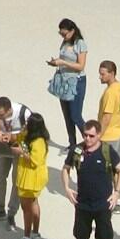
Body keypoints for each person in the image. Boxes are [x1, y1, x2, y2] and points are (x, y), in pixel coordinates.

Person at [63, 118, 120, 239]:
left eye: (91, 136)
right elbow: (66, 169)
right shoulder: (77, 151)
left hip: (103, 204)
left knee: (104, 238)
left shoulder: (107, 151)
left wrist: (117, 193)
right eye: (85, 135)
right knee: (81, 238)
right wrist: (67, 188)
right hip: (82, 204)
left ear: (99, 135)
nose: (87, 139)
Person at [0, 95, 33, 222]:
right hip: (3, 145)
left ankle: (12, 213)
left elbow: (31, 133)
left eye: (2, 115)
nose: (0, 117)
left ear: (9, 110)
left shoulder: (25, 113)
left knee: (17, 180)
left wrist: (13, 137)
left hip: (19, 146)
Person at [12, 110, 50, 239]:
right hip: (27, 176)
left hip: (31, 178)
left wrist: (21, 153)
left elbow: (35, 161)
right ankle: (35, 232)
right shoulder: (29, 136)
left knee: (26, 208)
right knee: (34, 203)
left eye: (28, 123)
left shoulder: (39, 142)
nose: (26, 124)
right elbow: (18, 139)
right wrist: (22, 132)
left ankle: (27, 237)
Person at [49, 19, 90, 148]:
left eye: (65, 34)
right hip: (63, 81)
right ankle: (72, 143)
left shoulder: (80, 44)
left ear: (72, 31)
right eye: (61, 34)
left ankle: (90, 141)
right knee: (67, 115)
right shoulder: (65, 42)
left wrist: (63, 63)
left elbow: (81, 66)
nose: (63, 36)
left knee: (75, 115)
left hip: (76, 81)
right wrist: (56, 62)